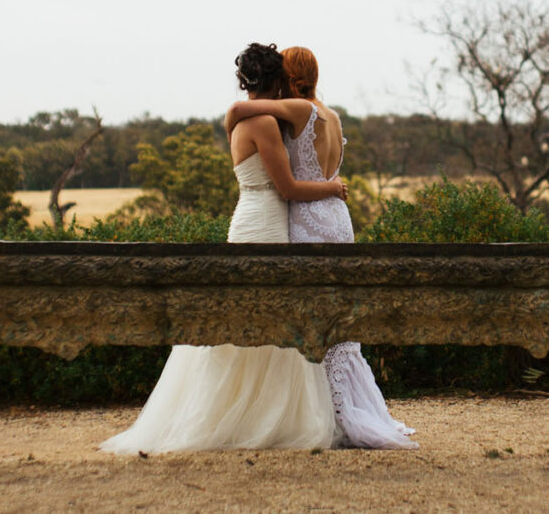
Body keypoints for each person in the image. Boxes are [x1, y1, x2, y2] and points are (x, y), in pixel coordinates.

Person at [99, 43, 347, 455]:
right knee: (270, 319)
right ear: (277, 81)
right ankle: (258, 418)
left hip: (247, 217)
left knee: (243, 320)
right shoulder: (266, 124)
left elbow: (240, 125)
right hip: (266, 225)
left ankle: (244, 412)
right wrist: (333, 188)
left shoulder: (240, 121)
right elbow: (286, 188)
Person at [225, 45, 417, 449]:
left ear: (290, 78)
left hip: (309, 215)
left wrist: (233, 114)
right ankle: (349, 405)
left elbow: (240, 112)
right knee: (338, 322)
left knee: (309, 319)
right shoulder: (331, 114)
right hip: (337, 217)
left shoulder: (297, 110)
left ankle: (329, 409)